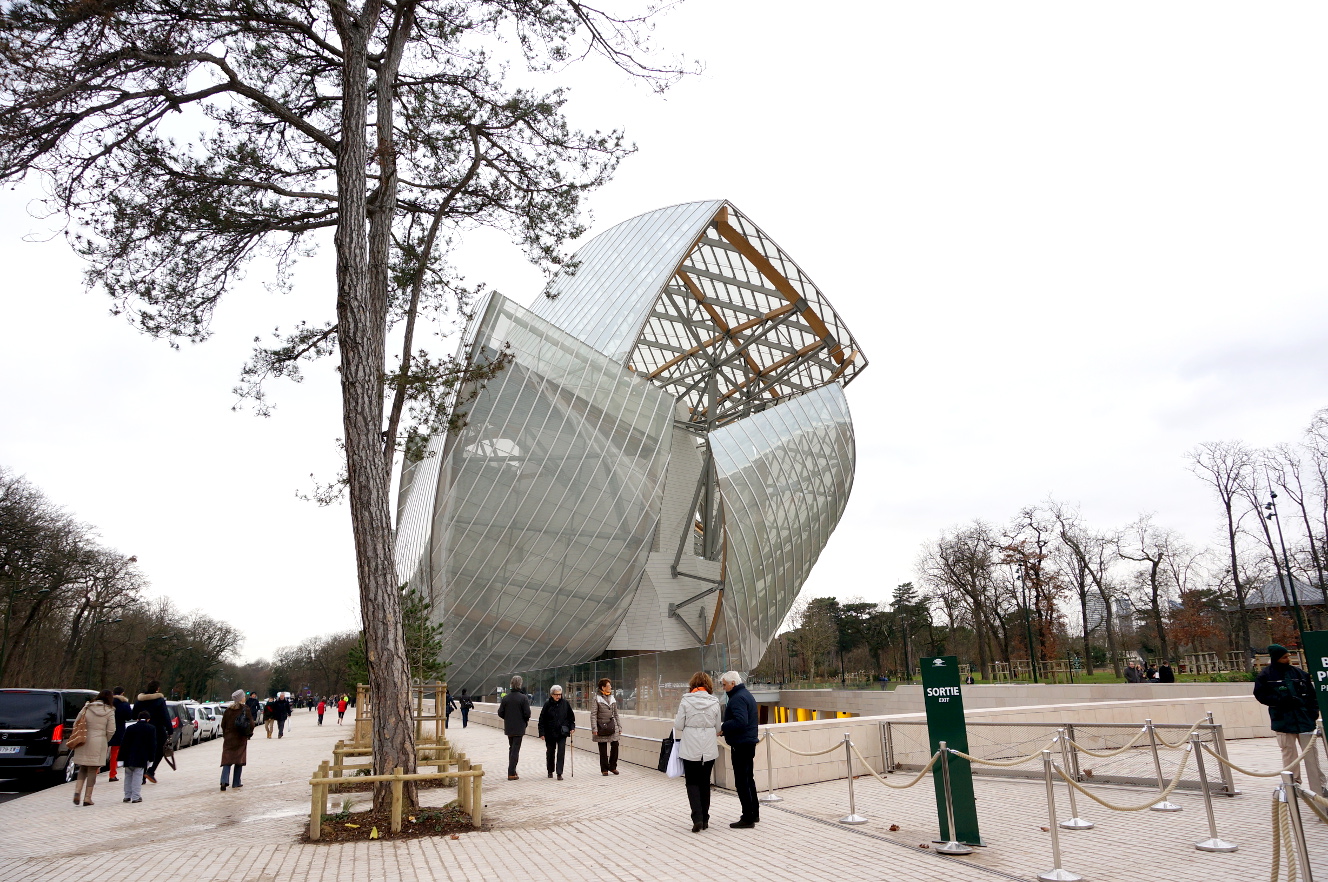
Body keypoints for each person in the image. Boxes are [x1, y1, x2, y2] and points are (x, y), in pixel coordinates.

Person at [1255, 643, 1324, 796]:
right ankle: (1292, 784)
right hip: (1283, 720)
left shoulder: (1300, 674)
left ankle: (1319, 784)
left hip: (1304, 719)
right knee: (1289, 754)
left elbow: (1312, 697)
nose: (1288, 659)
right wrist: (1281, 700)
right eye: (1284, 657)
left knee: (1311, 753)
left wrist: (1313, 713)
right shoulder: (1265, 676)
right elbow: (1261, 695)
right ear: (1276, 658)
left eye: (1288, 656)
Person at [674, 672, 722, 832]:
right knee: (704, 783)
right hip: (708, 747)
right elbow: (718, 728)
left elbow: (679, 725)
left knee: (692, 783)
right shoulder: (715, 701)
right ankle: (706, 819)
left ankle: (697, 818)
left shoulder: (686, 700)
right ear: (708, 685)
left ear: (693, 684)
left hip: (690, 746)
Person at [719, 671, 759, 828]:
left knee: (742, 781)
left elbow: (740, 721)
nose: (723, 688)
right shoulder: (746, 694)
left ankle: (747, 817)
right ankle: (754, 813)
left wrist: (723, 727)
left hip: (741, 744)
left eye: (724, 684)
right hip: (748, 742)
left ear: (732, 684)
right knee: (749, 779)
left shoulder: (737, 698)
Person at [71, 690, 116, 806]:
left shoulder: (87, 707)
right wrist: (105, 739)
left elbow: (76, 722)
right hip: (99, 741)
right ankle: (87, 798)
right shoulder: (110, 711)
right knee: (92, 769)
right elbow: (111, 729)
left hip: (84, 740)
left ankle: (77, 791)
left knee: (82, 767)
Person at [133, 680, 171, 783]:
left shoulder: (140, 701)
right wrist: (169, 729)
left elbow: (133, 714)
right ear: (157, 689)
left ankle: (141, 776)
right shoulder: (159, 701)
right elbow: (165, 716)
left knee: (143, 751)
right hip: (157, 729)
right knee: (160, 750)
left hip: (141, 728)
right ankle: (151, 771)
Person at [220, 689, 256, 791]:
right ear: (241, 698)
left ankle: (224, 781)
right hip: (240, 738)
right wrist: (249, 733)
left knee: (227, 760)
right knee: (239, 760)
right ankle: (236, 782)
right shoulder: (245, 709)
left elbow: (223, 724)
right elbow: (251, 723)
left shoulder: (228, 710)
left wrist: (226, 734)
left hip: (229, 739)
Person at [538, 685, 576, 780]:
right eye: (556, 694)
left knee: (561, 752)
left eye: (560, 694)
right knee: (550, 752)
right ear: (551, 695)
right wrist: (541, 733)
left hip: (562, 732)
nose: (558, 696)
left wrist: (572, 727)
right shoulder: (547, 704)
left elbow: (571, 717)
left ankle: (559, 773)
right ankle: (550, 770)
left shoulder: (565, 703)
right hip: (550, 732)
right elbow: (542, 719)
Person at [497, 675, 531, 780]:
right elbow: (527, 713)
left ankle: (513, 770)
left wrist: (508, 718)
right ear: (520, 684)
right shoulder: (523, 698)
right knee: (515, 750)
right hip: (519, 727)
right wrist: (523, 720)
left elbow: (500, 712)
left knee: (512, 749)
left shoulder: (506, 698)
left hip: (509, 727)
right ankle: (511, 772)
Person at [119, 709, 156, 804]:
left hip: (128, 756)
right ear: (148, 719)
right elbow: (152, 745)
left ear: (137, 719)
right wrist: (151, 759)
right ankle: (136, 797)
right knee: (138, 776)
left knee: (128, 776)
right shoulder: (151, 728)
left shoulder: (130, 728)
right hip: (141, 757)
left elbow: (124, 743)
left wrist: (120, 758)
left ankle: (127, 796)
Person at [591, 677, 621, 776]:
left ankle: (613, 766)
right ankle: (604, 769)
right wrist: (594, 728)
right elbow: (593, 714)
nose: (610, 687)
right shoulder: (597, 698)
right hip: (601, 726)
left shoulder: (612, 698)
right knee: (602, 748)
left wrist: (619, 727)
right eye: (608, 686)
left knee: (615, 744)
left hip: (612, 725)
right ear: (603, 688)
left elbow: (616, 714)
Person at [107, 686, 132, 782]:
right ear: (122, 693)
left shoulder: (108, 702)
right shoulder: (124, 704)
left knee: (101, 752)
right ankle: (112, 774)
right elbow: (129, 716)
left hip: (106, 729)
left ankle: (95, 772)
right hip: (118, 730)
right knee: (115, 753)